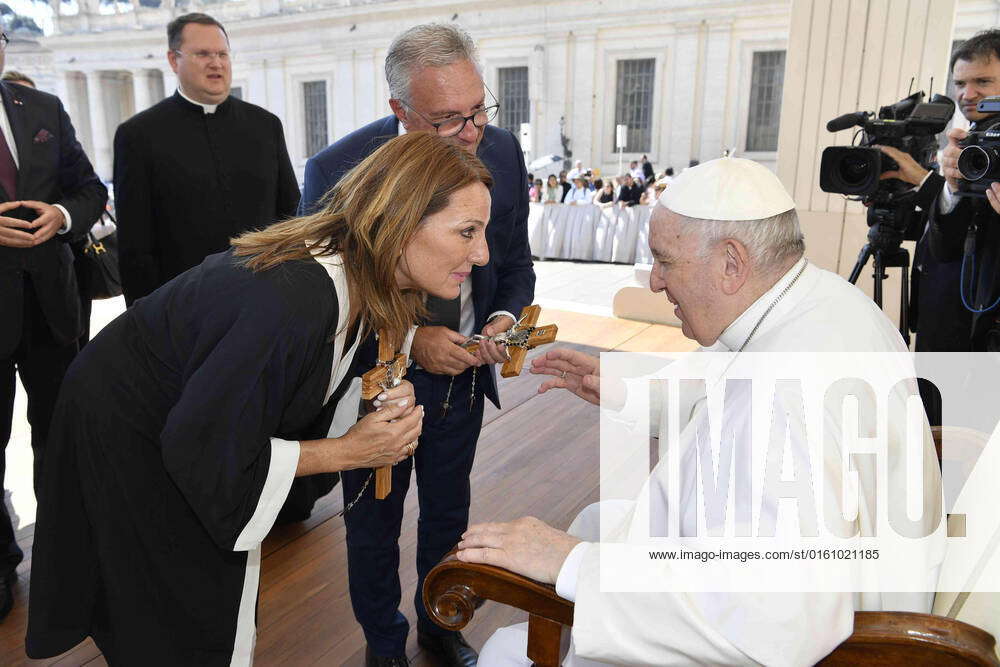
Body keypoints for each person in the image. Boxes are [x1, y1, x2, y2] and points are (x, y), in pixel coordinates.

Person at [24, 131, 496, 665]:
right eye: (466, 231)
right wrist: (351, 451)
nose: (481, 254)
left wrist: (374, 406)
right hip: (129, 439)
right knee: (177, 618)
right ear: (399, 219)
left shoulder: (358, 271)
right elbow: (206, 448)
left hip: (176, 428)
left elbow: (314, 381)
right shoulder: (293, 299)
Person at [458, 157, 943, 666]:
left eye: (665, 261)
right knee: (596, 519)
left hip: (825, 640)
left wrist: (572, 563)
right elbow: (716, 382)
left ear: (732, 263)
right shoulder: (822, 302)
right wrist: (617, 386)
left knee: (502, 653)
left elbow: (773, 621)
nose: (655, 282)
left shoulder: (784, 399)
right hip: (837, 574)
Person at [299, 23, 535, 667]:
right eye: (447, 119)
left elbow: (513, 261)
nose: (470, 132)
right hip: (372, 390)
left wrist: (501, 319)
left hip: (463, 378)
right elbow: (325, 303)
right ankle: (384, 645)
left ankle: (440, 624)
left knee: (448, 512)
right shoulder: (337, 171)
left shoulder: (505, 154)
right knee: (371, 527)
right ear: (399, 110)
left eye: (478, 110)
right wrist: (411, 337)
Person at [0, 33, 107, 621]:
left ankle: (66, 558)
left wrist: (63, 215)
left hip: (54, 309)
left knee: (61, 438)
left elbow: (89, 189)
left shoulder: (38, 107)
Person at [114, 12, 299, 306]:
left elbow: (291, 216)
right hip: (182, 306)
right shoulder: (139, 135)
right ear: (174, 61)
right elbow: (135, 247)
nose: (216, 63)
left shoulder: (265, 125)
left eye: (222, 54)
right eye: (202, 54)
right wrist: (143, 321)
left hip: (264, 300)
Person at [926, 29, 1000, 352]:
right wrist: (952, 189)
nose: (967, 94)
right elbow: (944, 251)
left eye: (982, 82)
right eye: (959, 83)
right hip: (955, 338)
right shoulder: (968, 146)